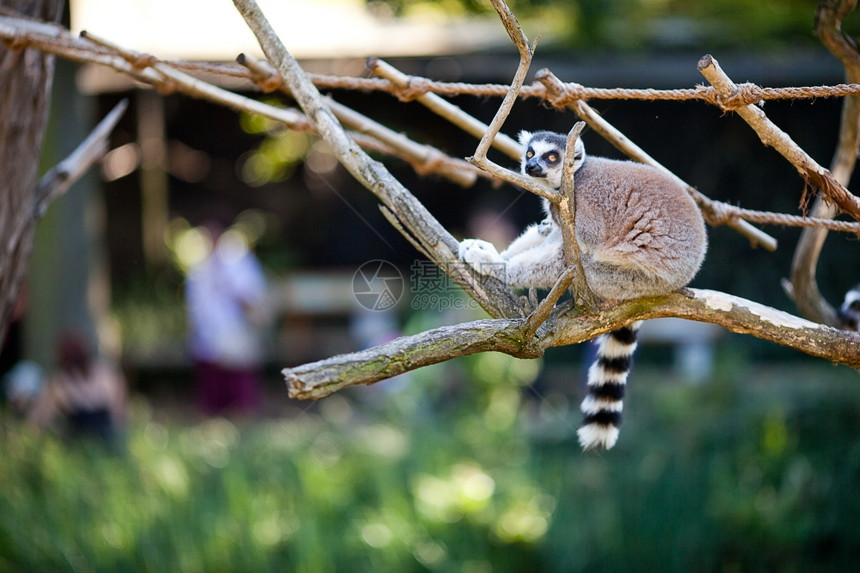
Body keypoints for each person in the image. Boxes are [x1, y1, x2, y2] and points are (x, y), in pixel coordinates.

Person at [185, 223, 267, 416]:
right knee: (213, 389)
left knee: (238, 389)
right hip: (207, 337)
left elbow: (250, 297)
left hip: (234, 334)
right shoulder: (198, 267)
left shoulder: (238, 260)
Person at [29, 332, 127, 445]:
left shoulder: (62, 382)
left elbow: (42, 416)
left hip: (92, 443)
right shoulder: (107, 373)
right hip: (92, 442)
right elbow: (120, 411)